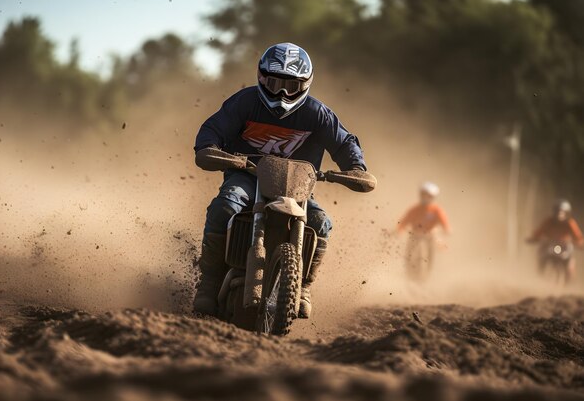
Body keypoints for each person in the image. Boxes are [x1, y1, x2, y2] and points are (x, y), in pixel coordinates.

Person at [193, 42, 368, 318]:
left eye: (291, 85)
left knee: (321, 222)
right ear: (262, 78)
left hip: (298, 187)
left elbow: (344, 142)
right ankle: (209, 283)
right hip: (247, 176)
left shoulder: (317, 113)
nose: (283, 92)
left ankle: (304, 286)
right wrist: (209, 147)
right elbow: (213, 128)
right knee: (225, 206)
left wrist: (356, 167)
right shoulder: (244, 102)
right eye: (274, 83)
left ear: (305, 84)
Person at [397, 182, 450, 280]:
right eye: (424, 195)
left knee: (431, 257)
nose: (426, 198)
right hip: (415, 235)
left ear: (433, 197)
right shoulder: (415, 209)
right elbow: (404, 221)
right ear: (420, 195)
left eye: (429, 196)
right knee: (409, 256)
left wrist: (446, 230)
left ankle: (426, 277)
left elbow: (444, 223)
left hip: (430, 236)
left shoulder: (437, 210)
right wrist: (399, 230)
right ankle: (409, 275)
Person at [526, 199, 583, 283]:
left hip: (565, 246)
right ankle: (540, 275)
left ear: (567, 213)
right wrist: (534, 238)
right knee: (542, 255)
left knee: (570, 261)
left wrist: (580, 243)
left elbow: (578, 236)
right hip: (550, 244)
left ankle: (569, 280)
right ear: (555, 212)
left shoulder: (570, 223)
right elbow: (539, 231)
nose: (560, 214)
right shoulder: (549, 221)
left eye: (562, 212)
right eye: (558, 211)